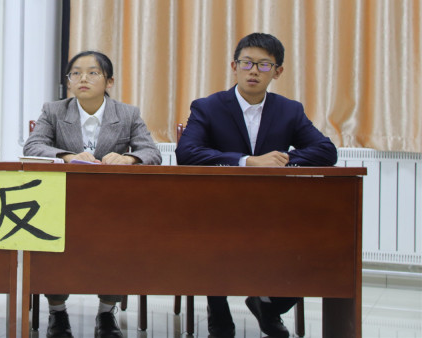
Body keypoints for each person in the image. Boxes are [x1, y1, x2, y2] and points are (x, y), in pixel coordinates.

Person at [175, 33, 337, 338]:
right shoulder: (208, 107)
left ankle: (270, 305)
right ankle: (218, 312)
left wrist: (281, 160)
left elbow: (326, 151)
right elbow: (187, 153)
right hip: (217, 206)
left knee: (319, 241)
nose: (253, 71)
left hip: (273, 208)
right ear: (234, 66)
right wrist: (247, 161)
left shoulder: (289, 110)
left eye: (264, 65)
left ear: (277, 72)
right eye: (247, 63)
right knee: (210, 236)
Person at [23, 50, 161, 338]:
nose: (83, 78)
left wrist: (128, 159)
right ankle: (57, 313)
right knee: (49, 236)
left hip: (112, 205)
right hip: (62, 201)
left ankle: (106, 313)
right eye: (76, 73)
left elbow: (151, 152)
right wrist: (67, 156)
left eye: (92, 73)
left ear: (109, 81)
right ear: (68, 81)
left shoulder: (127, 113)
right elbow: (33, 146)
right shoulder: (54, 110)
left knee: (120, 242)